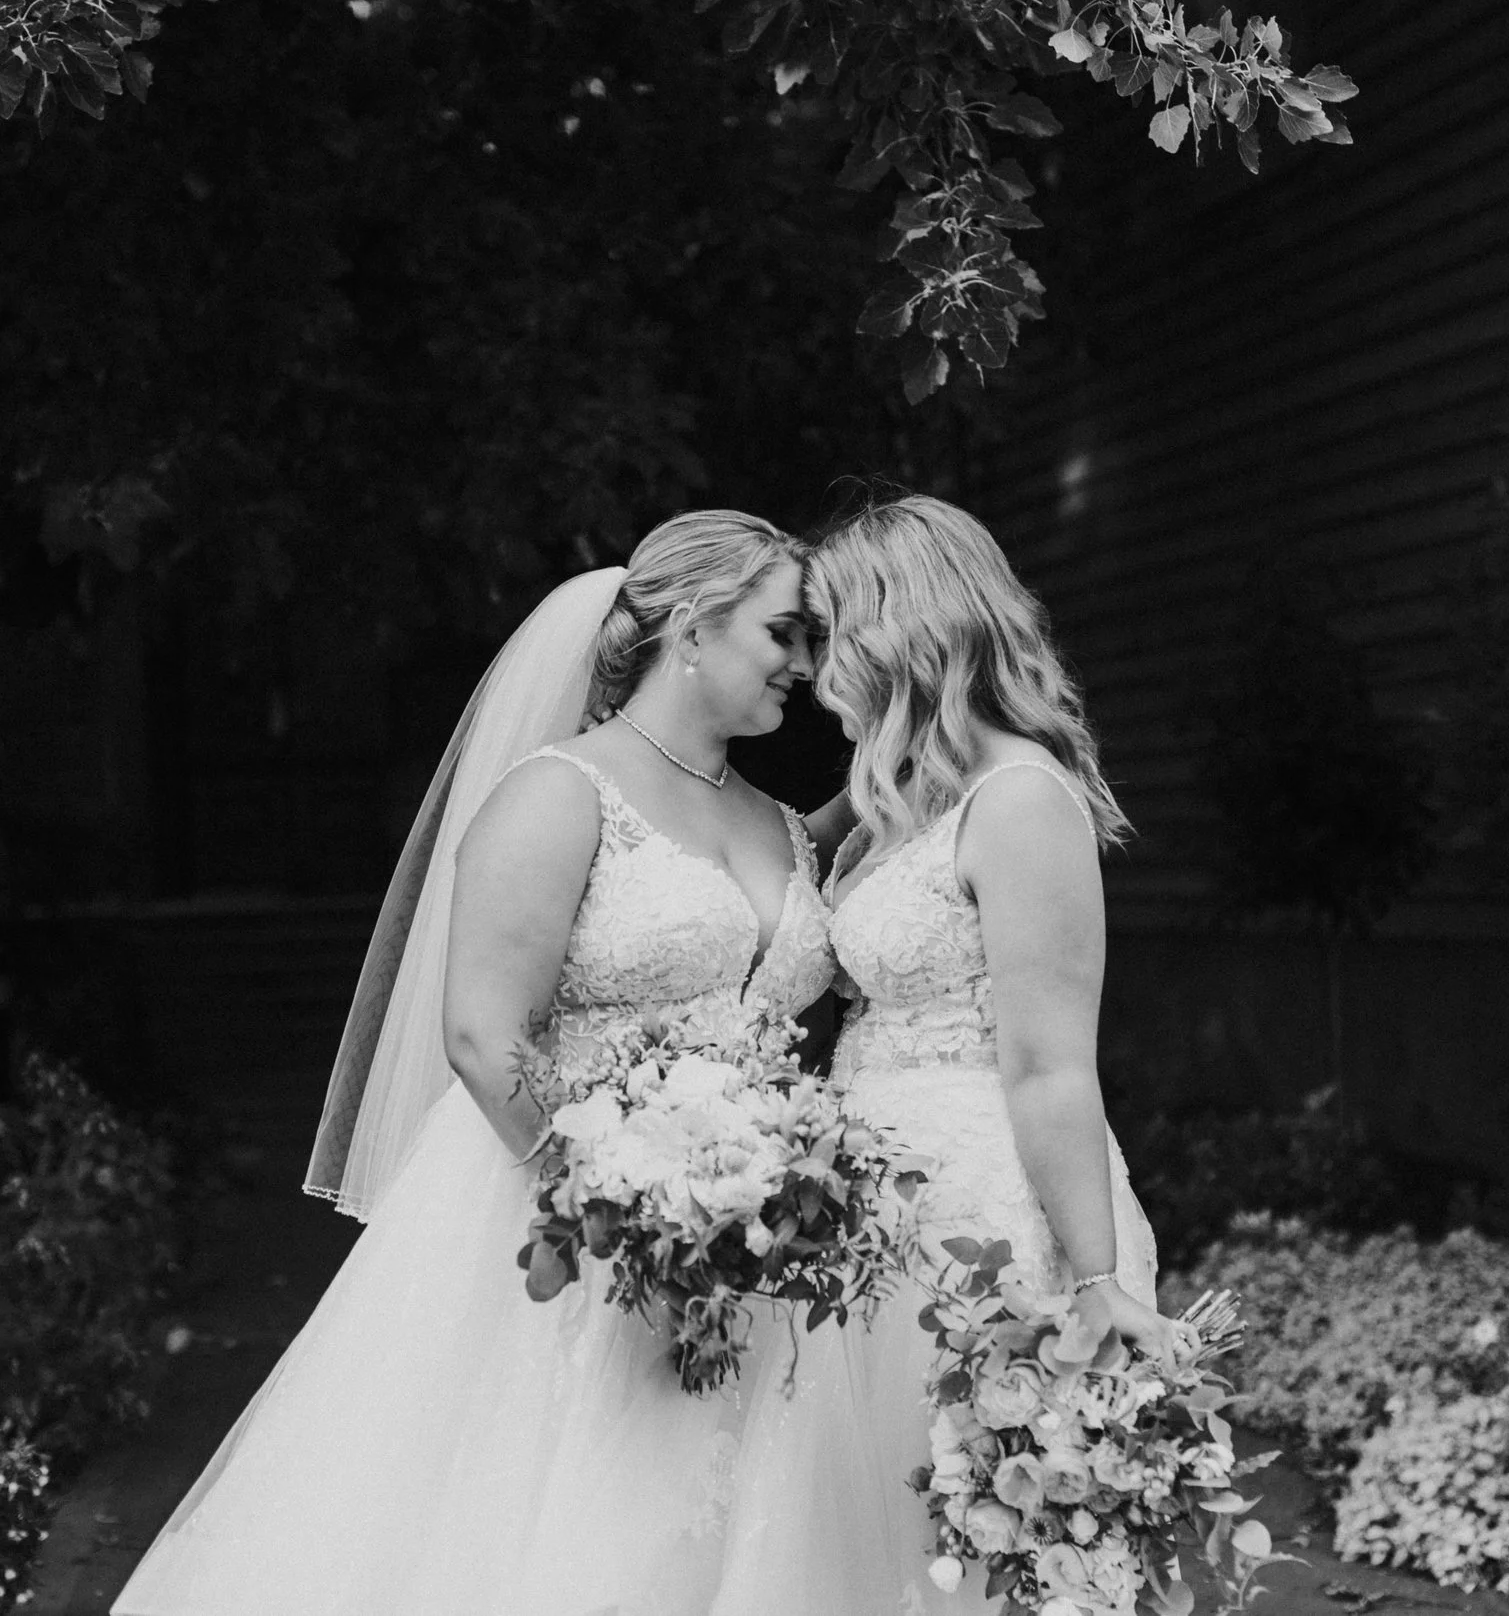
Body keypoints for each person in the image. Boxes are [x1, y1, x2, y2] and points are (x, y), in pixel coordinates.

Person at [114, 509, 837, 1616]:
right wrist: (624, 1214)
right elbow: (482, 1032)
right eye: (784, 632)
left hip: (755, 1244)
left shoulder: (783, 825)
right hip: (577, 1233)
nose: (805, 664)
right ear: (694, 625)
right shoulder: (561, 791)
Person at [709, 492, 1167, 1615]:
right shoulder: (894, 795)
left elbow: (1050, 1066)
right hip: (870, 1216)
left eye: (826, 633)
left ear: (894, 632)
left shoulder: (1019, 800)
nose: (811, 665)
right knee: (863, 1539)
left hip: (985, 1211)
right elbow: (739, 848)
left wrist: (1096, 1280)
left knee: (974, 1533)